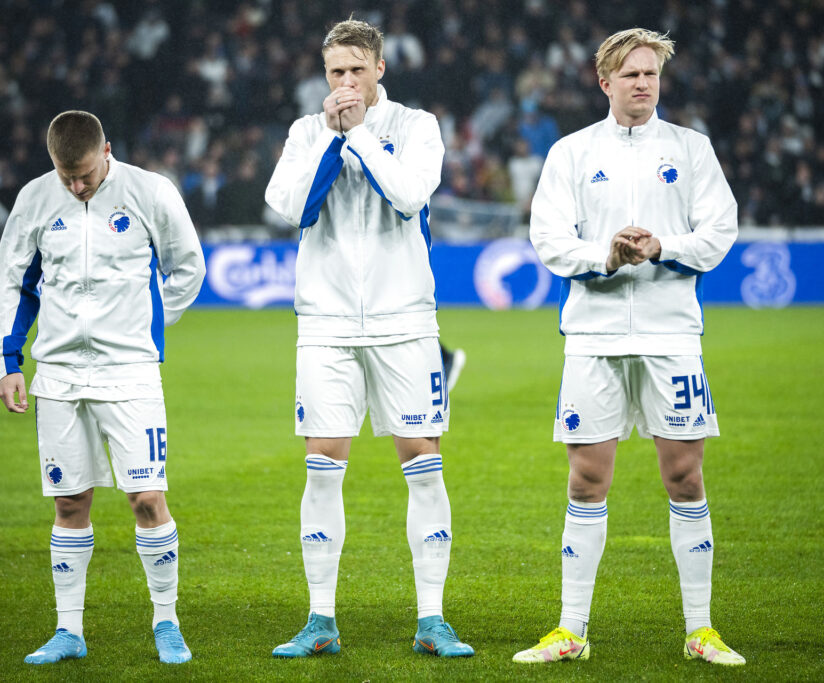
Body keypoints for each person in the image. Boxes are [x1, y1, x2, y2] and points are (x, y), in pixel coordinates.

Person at [516, 28, 745, 666]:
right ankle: (571, 631)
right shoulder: (570, 152)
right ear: (605, 82)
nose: (643, 83)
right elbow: (549, 239)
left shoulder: (692, 149)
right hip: (593, 335)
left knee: (685, 476)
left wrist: (662, 247)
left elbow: (719, 231)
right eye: (632, 74)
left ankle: (700, 631)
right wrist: (606, 256)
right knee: (587, 482)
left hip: (673, 335)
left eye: (651, 74)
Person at [265, 18, 473, 659]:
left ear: (379, 68)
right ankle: (320, 619)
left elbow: (410, 196)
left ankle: (432, 619)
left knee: (423, 462)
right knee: (323, 469)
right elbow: (287, 205)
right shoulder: (306, 132)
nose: (346, 82)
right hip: (325, 323)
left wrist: (360, 137)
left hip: (404, 320)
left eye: (357, 70)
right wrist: (333, 142)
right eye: (335, 73)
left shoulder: (417, 127)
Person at [0, 111, 205, 665]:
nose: (76, 186)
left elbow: (187, 268)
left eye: (84, 174)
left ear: (107, 150)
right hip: (59, 376)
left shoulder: (150, 192)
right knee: (69, 501)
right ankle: (69, 631)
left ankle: (166, 620)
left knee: (147, 498)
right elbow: (14, 280)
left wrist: (148, 328)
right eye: (66, 177)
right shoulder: (36, 199)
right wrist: (8, 358)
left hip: (131, 372)